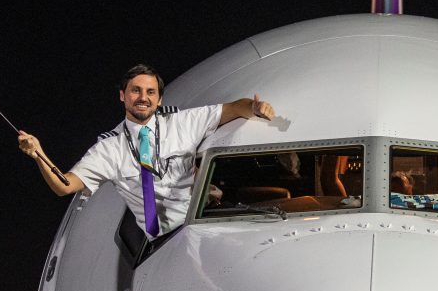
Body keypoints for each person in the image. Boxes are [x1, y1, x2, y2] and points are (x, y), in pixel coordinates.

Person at [17, 64, 277, 238]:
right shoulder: (109, 148)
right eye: (136, 91)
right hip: (164, 239)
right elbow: (64, 186)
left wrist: (254, 108)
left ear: (159, 99)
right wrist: (38, 154)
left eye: (151, 92)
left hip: (204, 221)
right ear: (123, 96)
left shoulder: (181, 122)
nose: (144, 97)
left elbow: (233, 108)